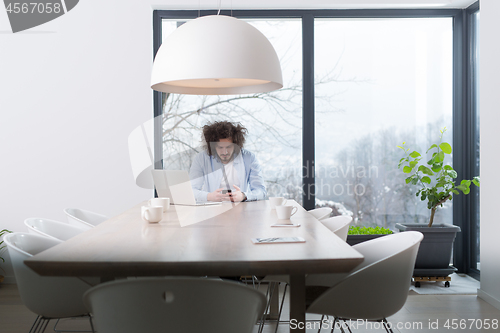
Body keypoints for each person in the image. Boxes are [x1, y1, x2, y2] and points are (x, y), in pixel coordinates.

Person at [189, 121, 266, 202]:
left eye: (229, 147)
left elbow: (261, 191)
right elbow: (190, 190)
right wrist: (209, 196)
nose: (225, 152)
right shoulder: (201, 158)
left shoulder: (249, 158)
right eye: (220, 147)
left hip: (240, 209)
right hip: (212, 209)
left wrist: (244, 196)